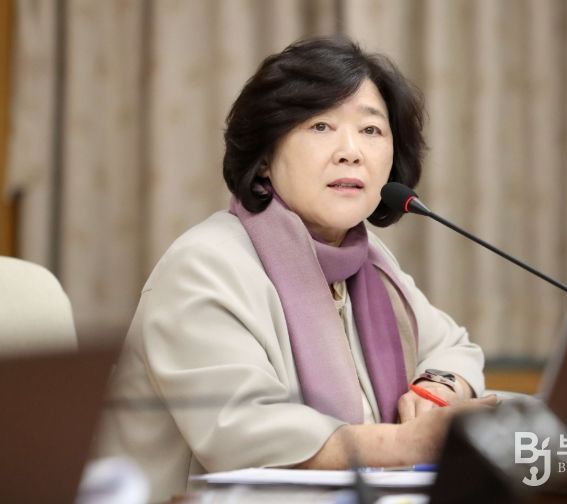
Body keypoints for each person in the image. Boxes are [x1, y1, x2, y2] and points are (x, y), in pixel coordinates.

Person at [96, 36, 496, 501]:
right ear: (265, 158)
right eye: (321, 126)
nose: (351, 151)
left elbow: (452, 347)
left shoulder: (368, 261)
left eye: (371, 130)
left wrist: (437, 391)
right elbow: (243, 430)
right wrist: (407, 443)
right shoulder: (202, 267)